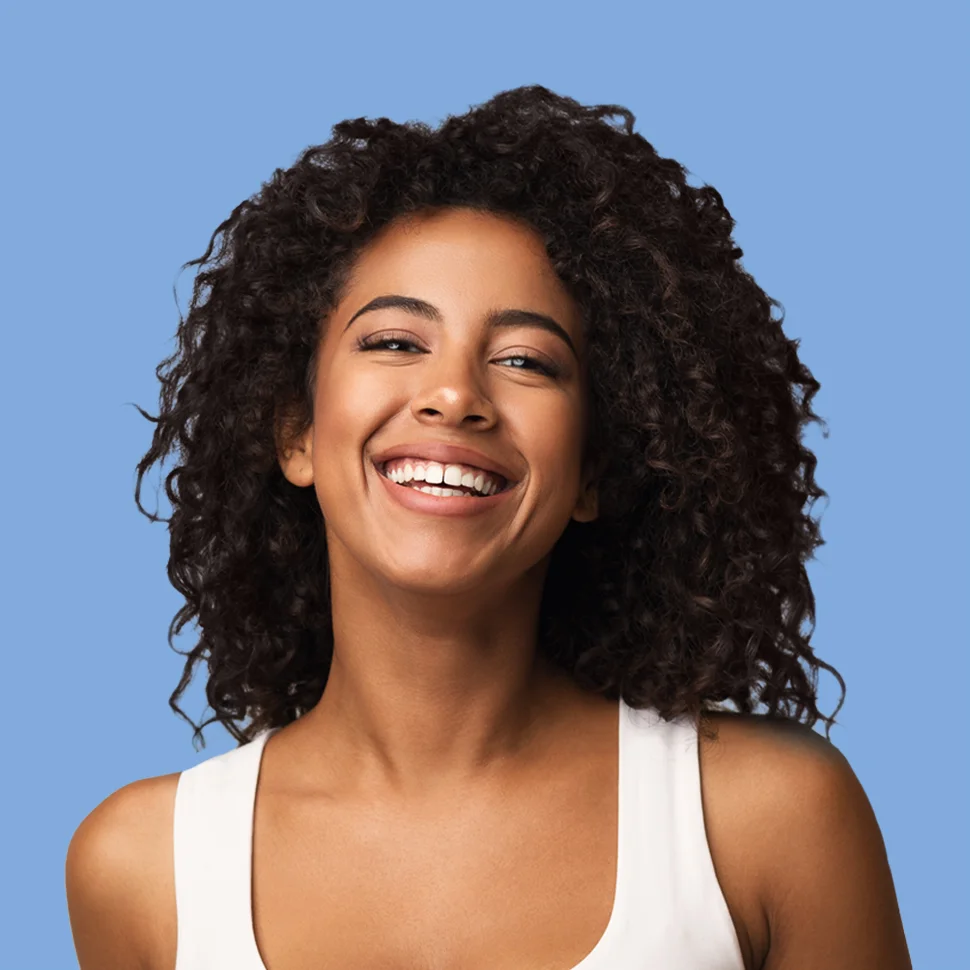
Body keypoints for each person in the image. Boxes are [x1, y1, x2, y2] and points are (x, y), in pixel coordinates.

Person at [65, 85, 912, 969]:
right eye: (395, 341)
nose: (455, 395)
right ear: (296, 433)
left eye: (525, 360)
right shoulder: (144, 869)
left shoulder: (766, 823)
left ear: (592, 471)